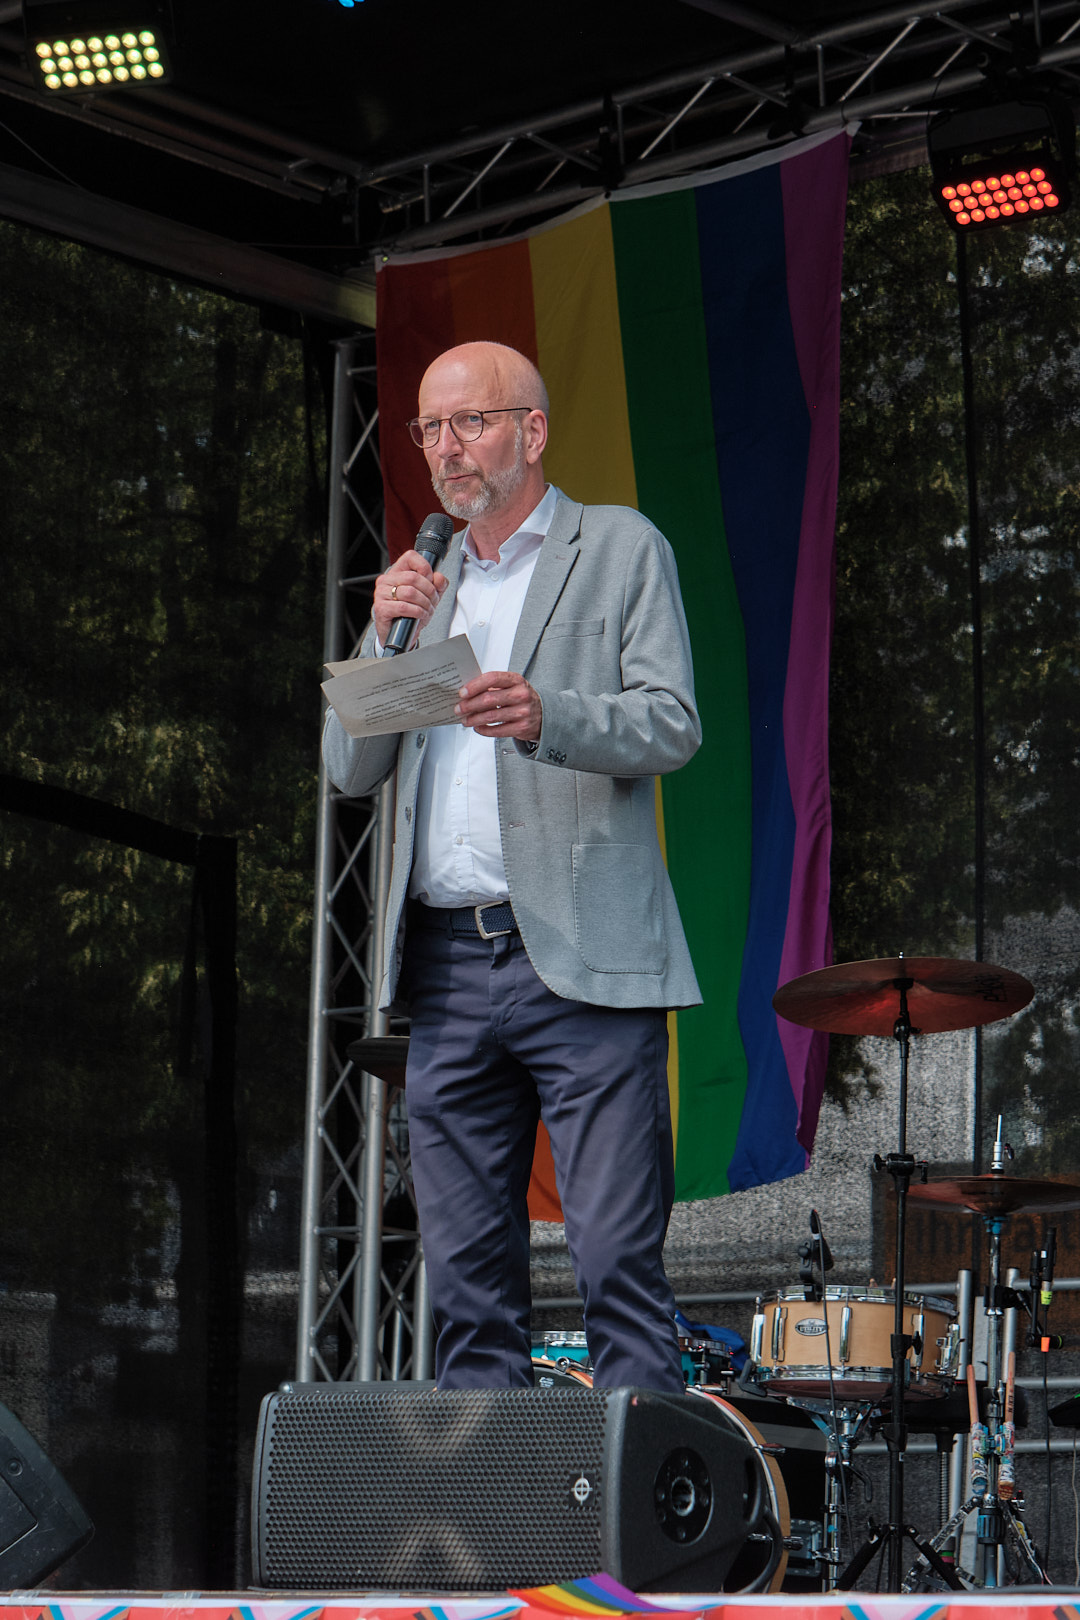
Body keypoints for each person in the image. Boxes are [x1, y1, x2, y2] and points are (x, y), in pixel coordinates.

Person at [322, 340, 702, 1391]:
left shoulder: (616, 546)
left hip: (578, 953)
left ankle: (636, 1503)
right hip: (446, 967)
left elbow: (672, 723)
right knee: (465, 1288)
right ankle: (492, 1498)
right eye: (429, 429)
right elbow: (350, 768)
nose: (447, 448)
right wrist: (382, 635)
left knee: (616, 1263)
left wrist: (548, 715)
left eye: (471, 422)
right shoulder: (425, 584)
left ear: (532, 432)